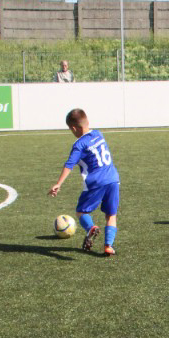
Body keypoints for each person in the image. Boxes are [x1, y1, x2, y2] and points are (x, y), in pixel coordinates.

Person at [47, 108, 121, 256]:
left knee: (81, 211)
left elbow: (69, 164)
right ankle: (108, 246)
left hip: (96, 182)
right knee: (111, 215)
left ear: (74, 128)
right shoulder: (98, 134)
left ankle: (90, 228)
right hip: (113, 179)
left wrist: (58, 183)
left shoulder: (79, 145)